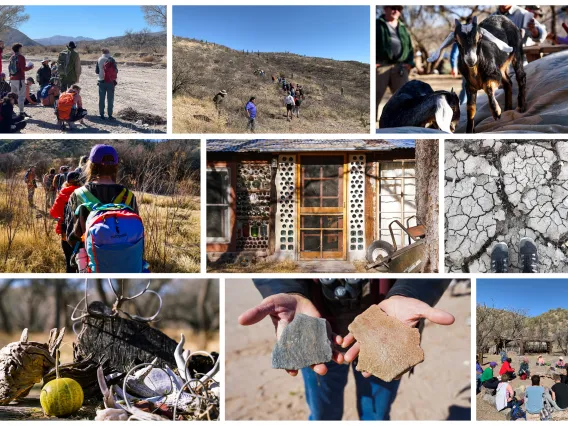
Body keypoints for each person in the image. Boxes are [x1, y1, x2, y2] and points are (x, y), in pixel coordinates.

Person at [239, 279, 454, 420]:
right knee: (324, 415)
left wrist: (410, 291)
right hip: (314, 332)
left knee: (376, 417)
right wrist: (286, 289)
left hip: (388, 333)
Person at [65, 144, 139, 250]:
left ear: (91, 166)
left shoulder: (78, 195)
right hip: (124, 261)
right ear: (115, 167)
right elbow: (135, 232)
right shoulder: (128, 196)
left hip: (89, 262)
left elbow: (71, 237)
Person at [376, 6, 414, 122]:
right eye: (393, 7)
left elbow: (409, 47)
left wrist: (409, 63)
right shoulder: (377, 24)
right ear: (385, 9)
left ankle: (405, 124)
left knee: (406, 98)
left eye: (399, 8)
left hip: (400, 67)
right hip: (381, 66)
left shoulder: (403, 27)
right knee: (372, 99)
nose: (396, 11)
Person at [50, 172, 81, 273]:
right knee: (83, 262)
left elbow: (54, 213)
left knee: (69, 261)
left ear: (67, 182)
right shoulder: (86, 192)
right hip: (83, 233)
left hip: (66, 233)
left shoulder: (63, 193)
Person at [8, 43, 34, 118]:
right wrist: (30, 67)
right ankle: (21, 113)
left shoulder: (12, 57)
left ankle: (10, 111)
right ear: (19, 49)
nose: (22, 50)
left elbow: (9, 68)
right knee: (21, 96)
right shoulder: (21, 57)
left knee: (12, 96)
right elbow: (24, 68)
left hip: (12, 79)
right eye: (21, 48)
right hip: (19, 79)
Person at [96, 48, 117, 120]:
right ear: (108, 52)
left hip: (101, 81)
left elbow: (97, 71)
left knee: (101, 99)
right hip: (110, 82)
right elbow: (116, 71)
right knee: (110, 99)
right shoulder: (112, 59)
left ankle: (101, 114)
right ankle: (110, 115)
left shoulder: (99, 59)